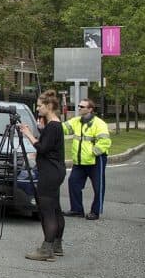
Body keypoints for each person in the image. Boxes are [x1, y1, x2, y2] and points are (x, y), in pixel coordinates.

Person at [20, 89, 66, 261]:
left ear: (49, 106)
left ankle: (47, 249)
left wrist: (28, 133)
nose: (37, 109)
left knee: (47, 211)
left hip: (49, 173)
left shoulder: (53, 126)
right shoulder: (55, 124)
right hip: (56, 170)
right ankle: (57, 245)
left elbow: (42, 147)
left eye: (39, 106)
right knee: (55, 208)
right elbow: (50, 150)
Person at [61, 98, 111, 220]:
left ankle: (95, 212)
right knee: (73, 182)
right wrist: (48, 124)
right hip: (79, 162)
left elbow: (105, 142)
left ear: (90, 109)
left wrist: (93, 153)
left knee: (98, 187)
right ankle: (77, 210)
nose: (79, 108)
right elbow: (62, 128)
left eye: (82, 107)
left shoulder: (99, 124)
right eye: (79, 106)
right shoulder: (76, 121)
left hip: (95, 160)